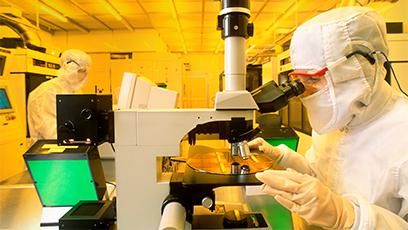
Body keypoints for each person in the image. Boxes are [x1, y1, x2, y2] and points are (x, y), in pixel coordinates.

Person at [249, 6, 408, 229]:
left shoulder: (403, 133)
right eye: (299, 80)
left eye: (313, 79)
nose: (304, 91)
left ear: (360, 68)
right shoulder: (336, 119)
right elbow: (321, 176)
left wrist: (348, 217)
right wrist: (282, 158)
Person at [28, 49, 92, 140]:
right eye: (80, 71)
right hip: (48, 150)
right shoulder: (47, 91)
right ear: (70, 69)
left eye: (85, 71)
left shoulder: (75, 90)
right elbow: (50, 131)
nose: (83, 75)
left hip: (69, 145)